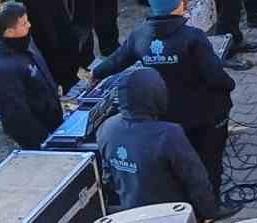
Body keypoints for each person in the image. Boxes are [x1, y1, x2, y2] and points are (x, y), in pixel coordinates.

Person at [92, 0, 237, 196]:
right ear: (179, 3)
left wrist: (96, 73)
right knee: (210, 164)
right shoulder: (193, 37)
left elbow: (117, 60)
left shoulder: (140, 35)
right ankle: (212, 203)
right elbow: (215, 76)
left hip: (164, 116)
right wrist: (229, 85)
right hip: (202, 116)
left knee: (177, 165)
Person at [95, 68, 237, 222]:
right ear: (155, 96)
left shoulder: (107, 127)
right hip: (172, 213)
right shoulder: (168, 134)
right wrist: (210, 211)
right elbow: (196, 180)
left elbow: (108, 177)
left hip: (132, 213)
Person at [0, 1, 63, 149]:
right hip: (39, 134)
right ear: (10, 32)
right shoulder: (2, 70)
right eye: (24, 23)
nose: (29, 25)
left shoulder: (21, 40)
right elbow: (16, 114)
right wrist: (42, 140)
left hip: (50, 117)